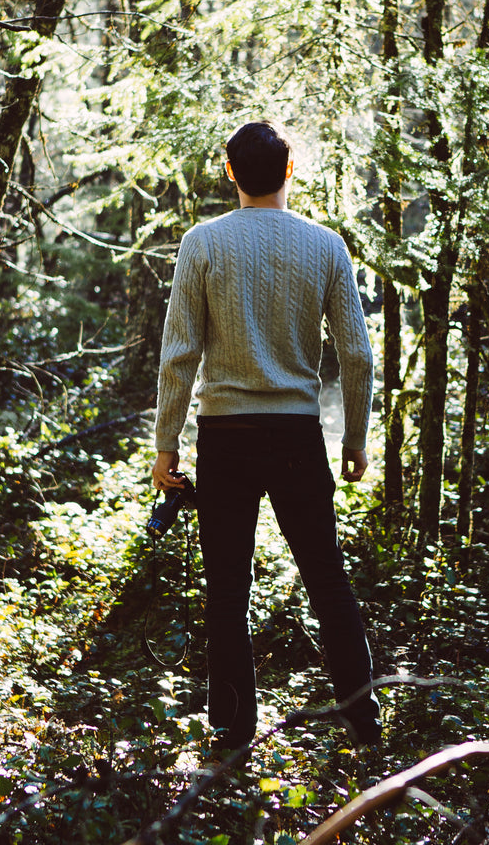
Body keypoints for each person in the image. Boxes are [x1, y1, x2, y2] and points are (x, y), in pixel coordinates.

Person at [152, 120, 381, 752]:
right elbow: (357, 354)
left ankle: (230, 735)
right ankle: (364, 723)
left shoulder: (202, 244)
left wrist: (166, 444)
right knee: (328, 580)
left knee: (226, 590)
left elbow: (179, 353)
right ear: (289, 170)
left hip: (224, 438)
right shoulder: (325, 245)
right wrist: (356, 440)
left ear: (231, 173)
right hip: (296, 438)